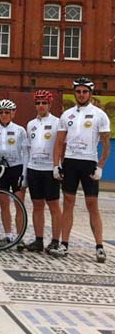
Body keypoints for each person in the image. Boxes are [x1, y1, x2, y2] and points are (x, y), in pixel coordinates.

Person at [52, 77, 111, 263]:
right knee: (68, 203)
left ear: (90, 93)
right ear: (74, 93)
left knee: (92, 205)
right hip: (70, 162)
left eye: (85, 91)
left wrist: (101, 166)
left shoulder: (100, 115)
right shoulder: (66, 115)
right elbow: (60, 142)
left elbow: (106, 144)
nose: (81, 94)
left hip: (89, 163)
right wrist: (56, 165)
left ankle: (100, 247)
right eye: (78, 91)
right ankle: (64, 244)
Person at [24, 90, 62, 254]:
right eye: (38, 103)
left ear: (50, 104)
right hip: (34, 169)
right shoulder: (30, 124)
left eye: (44, 103)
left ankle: (55, 241)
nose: (41, 106)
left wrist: (58, 166)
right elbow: (27, 149)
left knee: (53, 206)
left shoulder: (58, 122)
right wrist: (25, 173)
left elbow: (62, 146)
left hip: (49, 170)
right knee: (37, 205)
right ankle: (38, 241)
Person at [0, 99, 29, 249]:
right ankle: (8, 236)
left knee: (19, 204)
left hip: (16, 168)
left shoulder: (20, 130)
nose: (4, 115)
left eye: (7, 112)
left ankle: (19, 237)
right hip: (1, 170)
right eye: (1, 113)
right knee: (4, 205)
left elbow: (25, 153)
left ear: (13, 113)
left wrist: (24, 173)